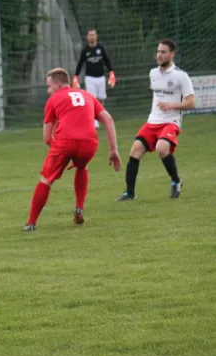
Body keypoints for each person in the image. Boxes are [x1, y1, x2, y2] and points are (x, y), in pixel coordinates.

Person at [23, 68, 121, 232]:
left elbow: (47, 137)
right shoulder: (87, 95)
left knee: (46, 179)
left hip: (65, 141)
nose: (48, 91)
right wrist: (113, 150)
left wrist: (60, 153)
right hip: (89, 143)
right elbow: (109, 120)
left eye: (49, 86)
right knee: (82, 167)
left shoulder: (53, 100)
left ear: (57, 84)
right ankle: (79, 209)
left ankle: (31, 223)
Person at [116, 39, 195, 201]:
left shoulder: (181, 76)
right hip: (153, 121)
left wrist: (171, 105)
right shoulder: (153, 73)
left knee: (161, 147)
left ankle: (176, 180)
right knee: (135, 150)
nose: (159, 55)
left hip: (171, 122)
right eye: (158, 52)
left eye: (163, 52)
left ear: (172, 54)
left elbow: (192, 103)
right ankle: (130, 193)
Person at [73, 28, 116, 129]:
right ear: (87, 37)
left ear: (96, 36)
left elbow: (107, 61)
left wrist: (111, 74)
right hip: (90, 78)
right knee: (92, 100)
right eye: (90, 35)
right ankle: (94, 121)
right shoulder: (85, 51)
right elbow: (80, 64)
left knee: (101, 99)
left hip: (101, 78)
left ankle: (100, 117)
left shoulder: (100, 48)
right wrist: (75, 77)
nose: (92, 37)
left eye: (93, 35)